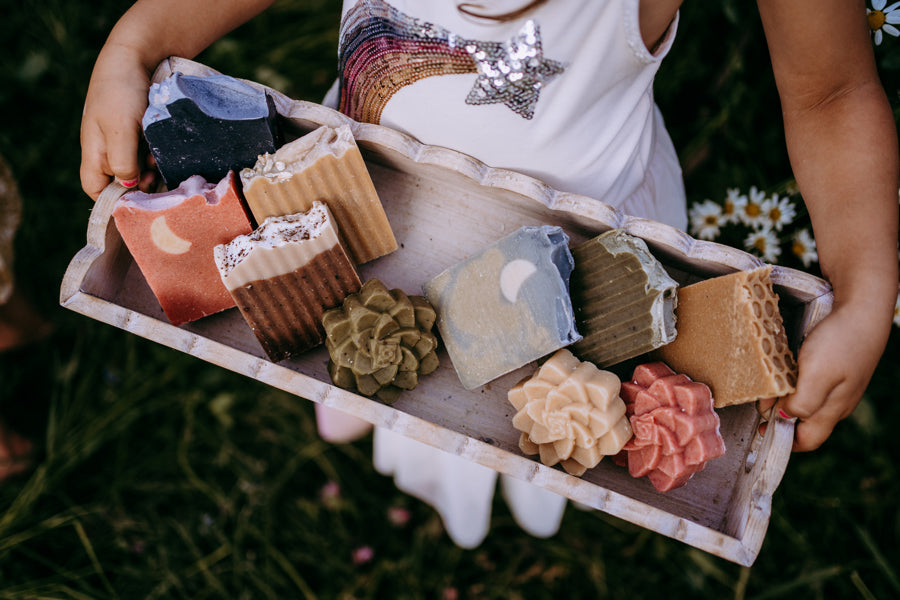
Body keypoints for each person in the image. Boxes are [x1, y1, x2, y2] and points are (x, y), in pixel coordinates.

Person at [79, 0, 899, 547]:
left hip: (585, 271)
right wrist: (140, 41)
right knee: (370, 349)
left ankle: (505, 475)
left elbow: (828, 91)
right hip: (372, 203)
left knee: (519, 416)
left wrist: (865, 286)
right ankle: (378, 418)